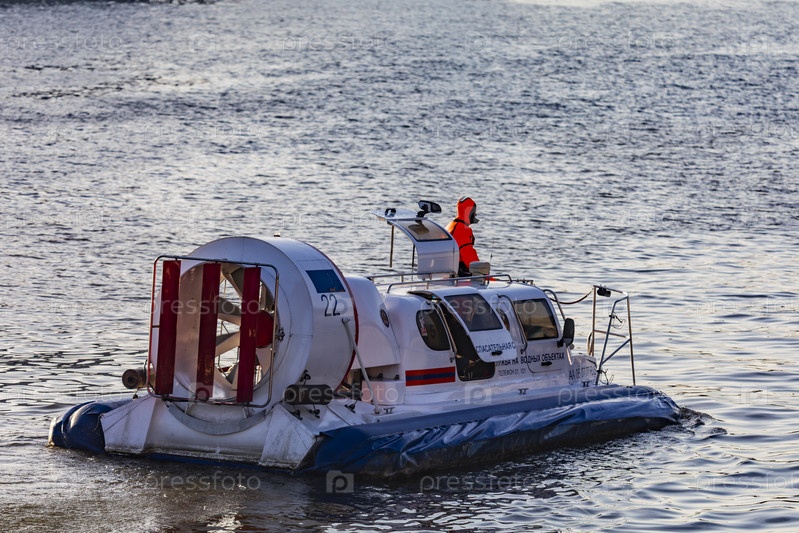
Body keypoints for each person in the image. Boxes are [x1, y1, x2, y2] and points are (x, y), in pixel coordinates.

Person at [446, 197, 480, 277]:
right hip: (459, 275)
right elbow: (471, 260)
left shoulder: (451, 225)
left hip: (448, 271)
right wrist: (488, 277)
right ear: (469, 212)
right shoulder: (462, 230)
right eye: (474, 212)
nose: (475, 214)